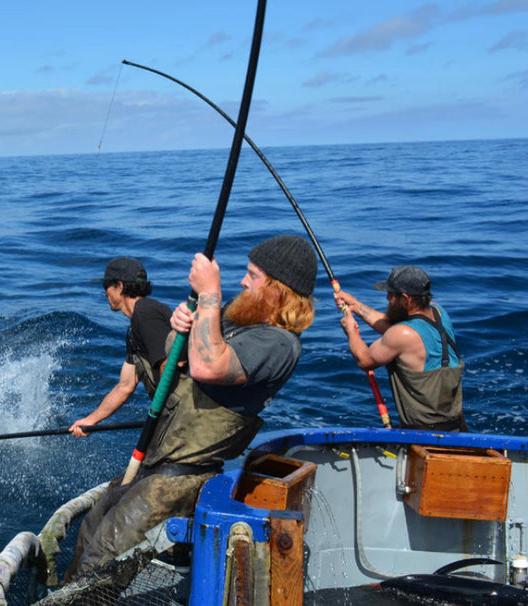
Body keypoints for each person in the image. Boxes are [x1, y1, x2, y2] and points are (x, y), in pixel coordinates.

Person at [67, 234, 317, 579]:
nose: (243, 281)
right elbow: (177, 357)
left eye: (253, 275)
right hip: (158, 461)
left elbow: (208, 367)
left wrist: (210, 294)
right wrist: (181, 325)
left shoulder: (279, 343)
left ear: (278, 288)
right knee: (91, 527)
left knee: (99, 564)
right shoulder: (238, 321)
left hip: (182, 476)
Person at [335, 265, 466, 431]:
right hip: (457, 428)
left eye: (391, 294)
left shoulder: (402, 334)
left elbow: (364, 359)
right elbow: (396, 328)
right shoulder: (438, 312)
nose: (387, 298)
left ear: (406, 299)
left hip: (423, 435)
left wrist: (350, 330)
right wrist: (356, 306)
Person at [69, 257, 173, 438]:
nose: (105, 294)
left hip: (185, 414)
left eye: (106, 287)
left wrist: (168, 412)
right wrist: (91, 420)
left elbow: (168, 365)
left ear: (120, 286)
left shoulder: (145, 312)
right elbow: (125, 386)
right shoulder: (135, 327)